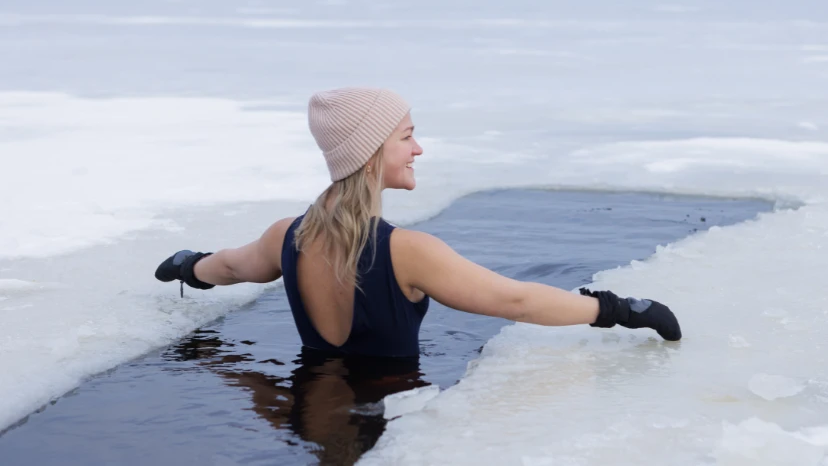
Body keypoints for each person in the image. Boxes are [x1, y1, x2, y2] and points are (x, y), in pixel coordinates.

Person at [155, 88, 681, 357]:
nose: (418, 148)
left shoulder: (286, 237)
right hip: (395, 430)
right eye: (406, 136)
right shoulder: (408, 251)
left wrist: (188, 267)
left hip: (308, 418)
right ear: (367, 154)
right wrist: (620, 310)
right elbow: (513, 300)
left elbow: (227, 268)